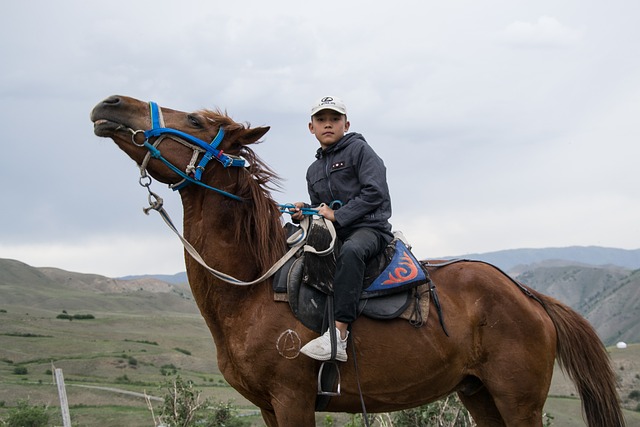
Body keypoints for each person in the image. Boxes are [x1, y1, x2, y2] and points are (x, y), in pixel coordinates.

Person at [292, 96, 393, 362]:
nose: (328, 125)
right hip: (336, 231)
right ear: (311, 127)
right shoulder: (313, 170)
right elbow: (321, 207)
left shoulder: (360, 151)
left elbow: (376, 192)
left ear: (345, 124)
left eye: (334, 119)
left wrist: (338, 215)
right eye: (321, 120)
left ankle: (338, 336)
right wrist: (306, 211)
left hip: (370, 229)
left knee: (351, 251)